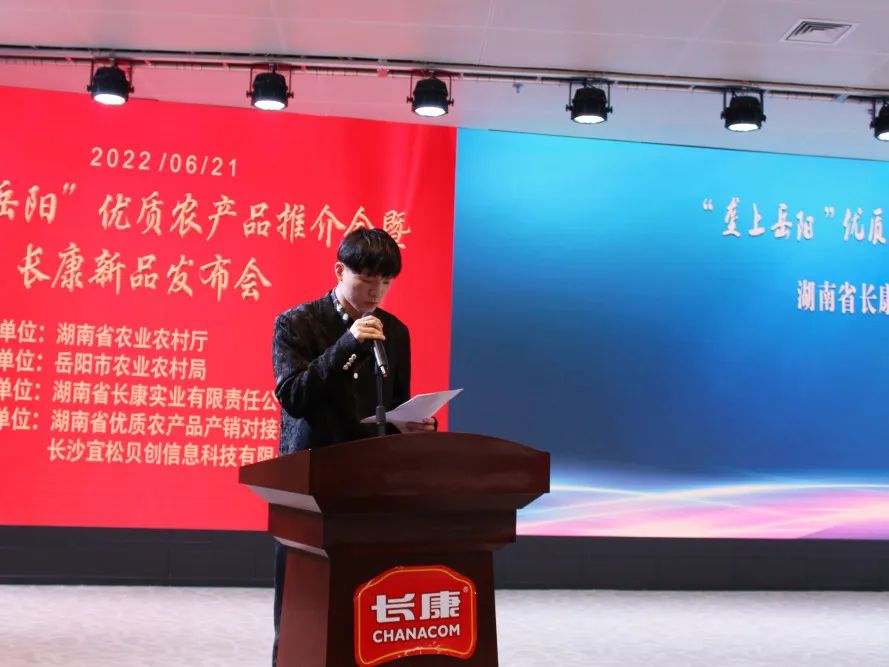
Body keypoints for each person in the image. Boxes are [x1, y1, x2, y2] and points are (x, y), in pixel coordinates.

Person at [269, 228, 435, 665]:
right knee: (303, 608)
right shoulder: (297, 323)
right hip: (311, 485)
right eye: (366, 280)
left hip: (369, 486)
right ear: (339, 271)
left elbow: (394, 405)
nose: (375, 292)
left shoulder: (395, 332)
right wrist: (348, 344)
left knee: (365, 603)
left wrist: (414, 423)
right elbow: (294, 397)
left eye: (386, 282)